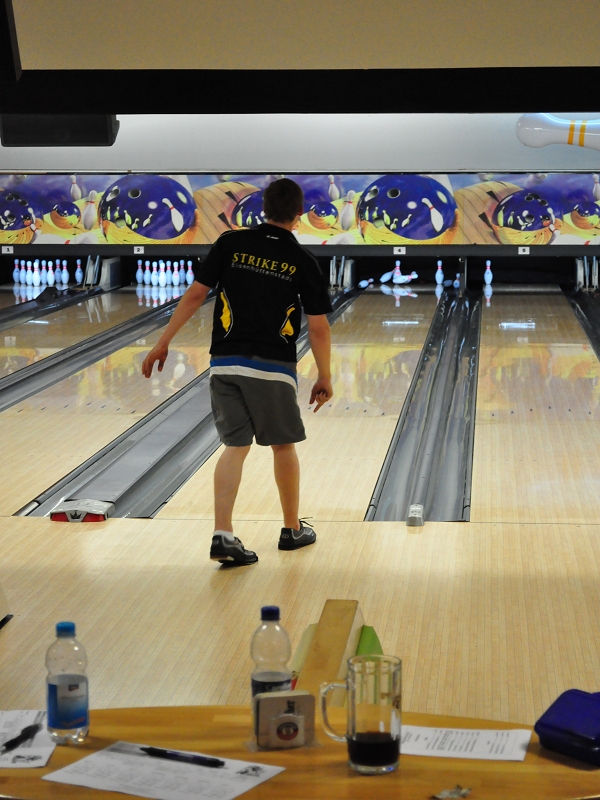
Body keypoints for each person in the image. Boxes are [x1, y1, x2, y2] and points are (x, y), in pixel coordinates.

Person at [142, 178, 333, 566]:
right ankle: (292, 528)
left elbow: (196, 294)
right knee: (283, 445)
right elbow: (318, 327)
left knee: (235, 446)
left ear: (263, 209)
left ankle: (223, 534)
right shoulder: (303, 260)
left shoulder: (230, 243)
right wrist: (325, 375)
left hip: (225, 364)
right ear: (299, 215)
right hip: (273, 367)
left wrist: (163, 341)